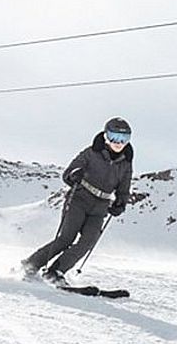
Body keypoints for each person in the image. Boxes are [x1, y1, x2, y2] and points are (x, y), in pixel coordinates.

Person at [21, 118, 134, 285]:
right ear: (105, 136)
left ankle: (56, 271)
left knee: (88, 241)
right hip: (80, 198)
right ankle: (31, 264)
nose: (119, 143)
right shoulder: (91, 153)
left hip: (100, 206)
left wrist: (120, 203)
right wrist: (75, 175)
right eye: (114, 137)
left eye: (123, 139)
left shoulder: (126, 163)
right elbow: (69, 172)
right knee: (66, 238)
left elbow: (124, 188)